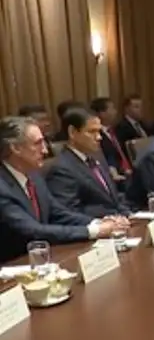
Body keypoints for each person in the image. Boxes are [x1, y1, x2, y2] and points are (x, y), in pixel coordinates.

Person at [0, 116, 125, 263]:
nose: (45, 150)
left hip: (42, 258)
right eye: (38, 144)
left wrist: (97, 223)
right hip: (10, 267)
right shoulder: (3, 186)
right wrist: (93, 231)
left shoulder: (33, 175)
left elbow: (58, 213)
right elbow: (32, 230)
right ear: (15, 148)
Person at [46, 108, 131, 219]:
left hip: (119, 223)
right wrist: (109, 220)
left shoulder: (96, 159)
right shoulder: (61, 169)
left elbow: (113, 198)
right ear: (72, 132)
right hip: (97, 229)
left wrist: (129, 214)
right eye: (92, 132)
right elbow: (70, 212)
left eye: (99, 131)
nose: (99, 137)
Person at [90, 96, 131, 180]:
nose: (115, 112)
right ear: (102, 113)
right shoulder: (96, 135)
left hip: (128, 171)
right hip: (114, 176)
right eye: (112, 109)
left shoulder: (117, 131)